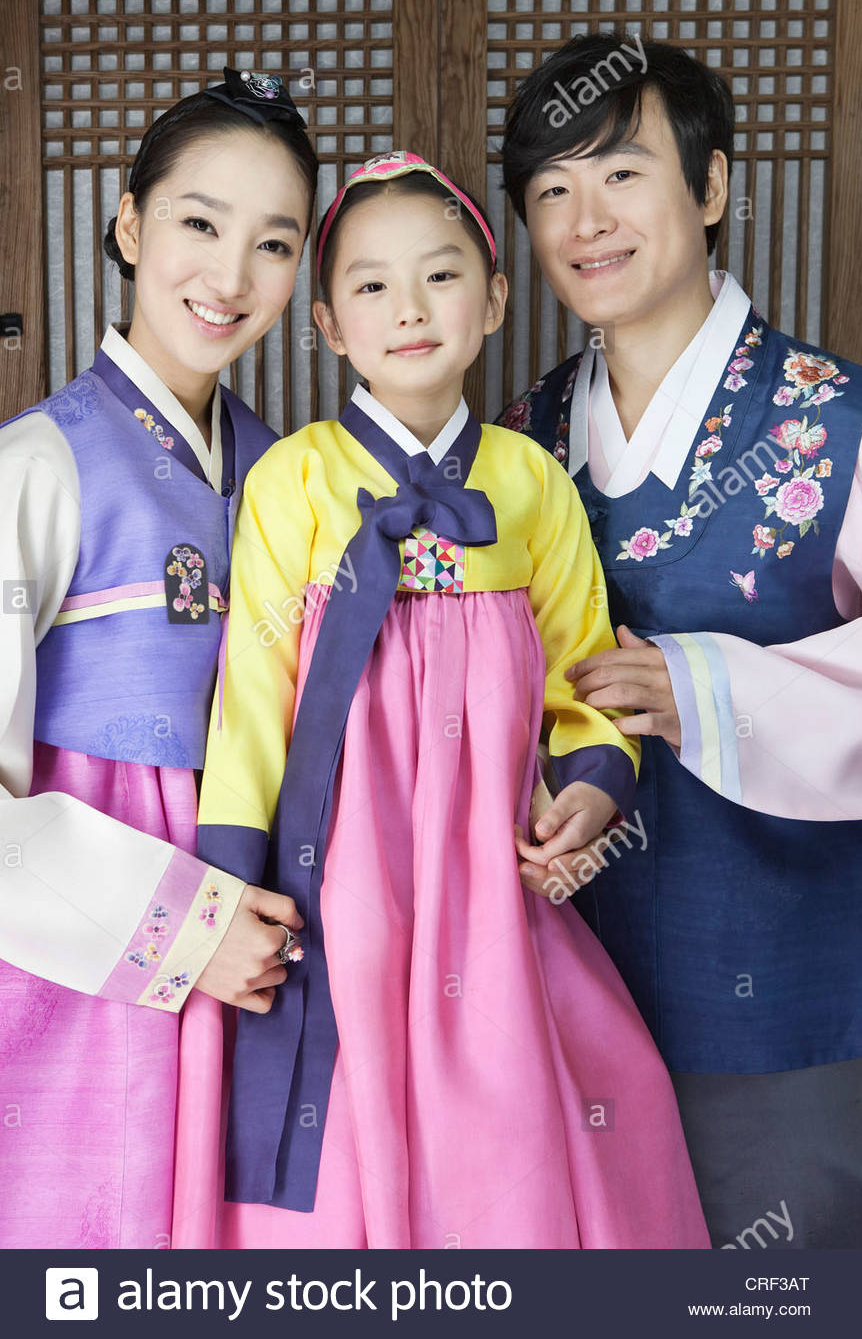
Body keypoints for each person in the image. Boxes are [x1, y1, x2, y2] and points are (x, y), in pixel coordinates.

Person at [186, 150, 710, 1249]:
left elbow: (582, 675)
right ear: (326, 324)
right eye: (370, 286)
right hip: (344, 876)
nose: (408, 309)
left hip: (488, 874)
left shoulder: (527, 483)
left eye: (440, 275)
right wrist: (235, 885)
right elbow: (249, 699)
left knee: (540, 1112)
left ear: (494, 299)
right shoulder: (298, 479)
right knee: (345, 1112)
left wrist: (590, 791)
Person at [499, 33, 862, 1248]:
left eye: (619, 174)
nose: (583, 219)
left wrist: (705, 683)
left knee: (778, 1286)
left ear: (709, 191)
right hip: (553, 987)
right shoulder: (514, 443)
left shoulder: (839, 421)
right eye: (550, 189)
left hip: (782, 995)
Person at [0, 68, 316, 1249]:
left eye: (273, 244)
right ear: (130, 224)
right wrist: (185, 928)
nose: (229, 278)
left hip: (278, 952)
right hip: (85, 966)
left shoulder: (291, 479)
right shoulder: (37, 465)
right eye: (198, 223)